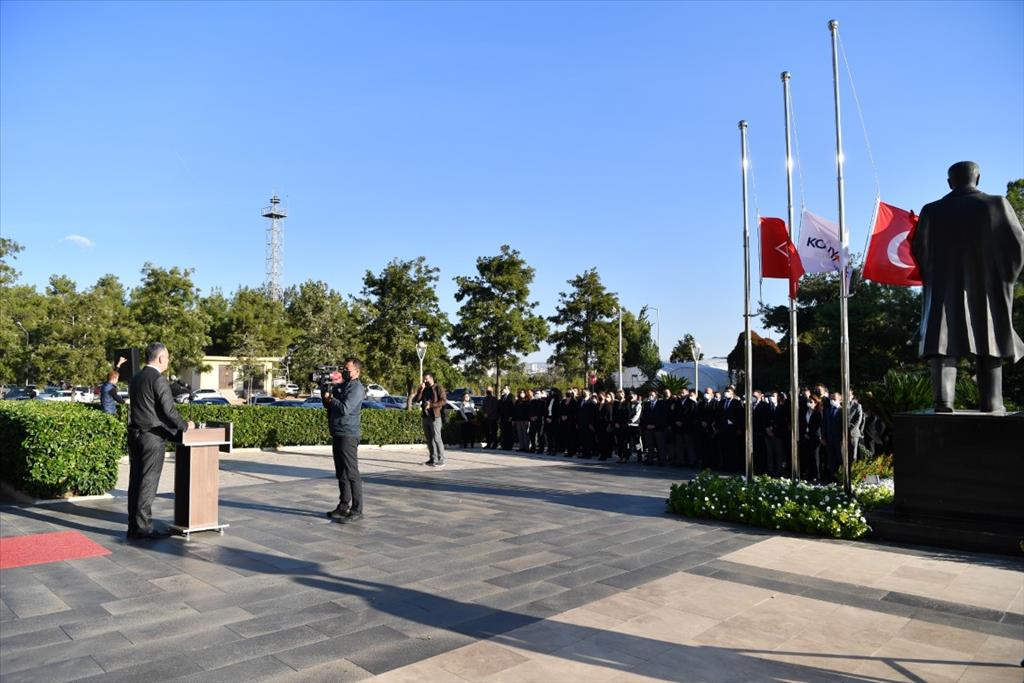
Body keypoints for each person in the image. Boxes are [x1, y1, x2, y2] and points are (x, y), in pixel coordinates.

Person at [911, 161, 1024, 413]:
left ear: (949, 183)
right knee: (989, 341)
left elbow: (919, 250)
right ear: (978, 178)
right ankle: (992, 402)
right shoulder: (997, 204)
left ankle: (943, 402)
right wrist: (1002, 277)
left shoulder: (931, 210)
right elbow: (1017, 246)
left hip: (943, 288)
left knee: (942, 343)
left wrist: (937, 275)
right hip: (986, 288)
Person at [126, 342, 193, 540]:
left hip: (135, 434)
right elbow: (168, 411)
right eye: (168, 357)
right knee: (148, 482)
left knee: (135, 481)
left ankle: (133, 526)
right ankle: (144, 528)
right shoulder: (158, 379)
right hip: (152, 437)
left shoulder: (136, 378)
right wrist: (186, 426)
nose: (169, 361)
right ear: (161, 358)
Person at [322, 357, 366, 522]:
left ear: (357, 371)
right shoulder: (344, 386)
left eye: (347, 369)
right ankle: (343, 506)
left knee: (352, 473)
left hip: (348, 434)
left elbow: (345, 408)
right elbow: (328, 405)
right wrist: (325, 391)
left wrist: (332, 399)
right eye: (344, 369)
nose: (345, 371)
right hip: (338, 433)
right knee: (341, 472)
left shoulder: (357, 388)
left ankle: (357, 509)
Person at [413, 373, 447, 467]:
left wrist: (431, 405)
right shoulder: (425, 389)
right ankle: (433, 459)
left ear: (431, 378)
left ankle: (441, 459)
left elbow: (443, 401)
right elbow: (416, 400)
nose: (425, 381)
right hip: (425, 416)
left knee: (436, 438)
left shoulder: (438, 387)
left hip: (435, 417)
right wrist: (420, 390)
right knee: (429, 439)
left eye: (426, 379)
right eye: (424, 379)